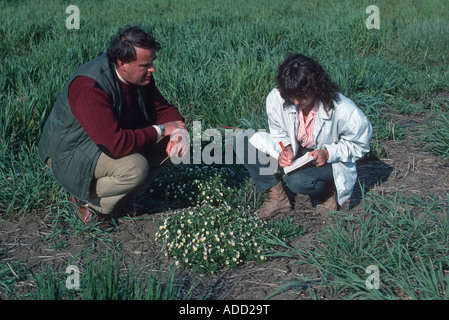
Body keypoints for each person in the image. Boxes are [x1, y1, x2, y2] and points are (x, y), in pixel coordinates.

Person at [38, 25, 189, 231]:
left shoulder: (138, 75)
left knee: (170, 146)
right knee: (135, 168)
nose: (152, 69)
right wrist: (161, 130)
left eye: (152, 63)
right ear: (123, 63)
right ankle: (89, 203)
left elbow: (162, 108)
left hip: (102, 140)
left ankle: (122, 200)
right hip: (70, 151)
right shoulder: (90, 87)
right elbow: (116, 145)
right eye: (146, 64)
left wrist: (179, 132)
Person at [234, 53, 372, 220]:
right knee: (242, 140)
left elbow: (360, 144)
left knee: (296, 180)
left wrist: (327, 153)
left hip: (326, 159)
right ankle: (278, 198)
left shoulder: (342, 108)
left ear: (316, 86)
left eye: (302, 97)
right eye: (291, 97)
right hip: (298, 152)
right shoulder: (277, 98)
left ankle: (327, 193)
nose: (297, 102)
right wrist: (286, 149)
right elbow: (278, 131)